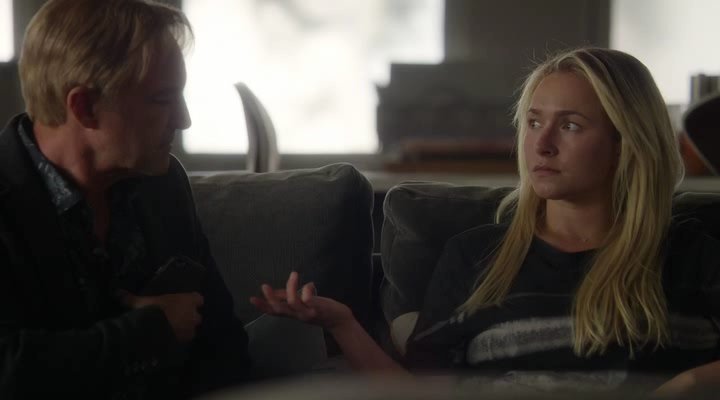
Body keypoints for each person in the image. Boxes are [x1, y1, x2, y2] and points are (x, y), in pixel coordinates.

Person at [252, 47, 720, 396]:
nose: (542, 144)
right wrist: (343, 324)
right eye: (533, 123)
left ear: (626, 142)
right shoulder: (477, 256)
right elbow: (419, 394)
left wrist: (689, 383)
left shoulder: (692, 253)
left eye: (570, 125)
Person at [0, 0, 251, 398]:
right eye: (162, 99)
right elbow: (9, 369)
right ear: (85, 107)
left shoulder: (162, 182)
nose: (183, 119)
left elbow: (225, 345)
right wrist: (149, 333)